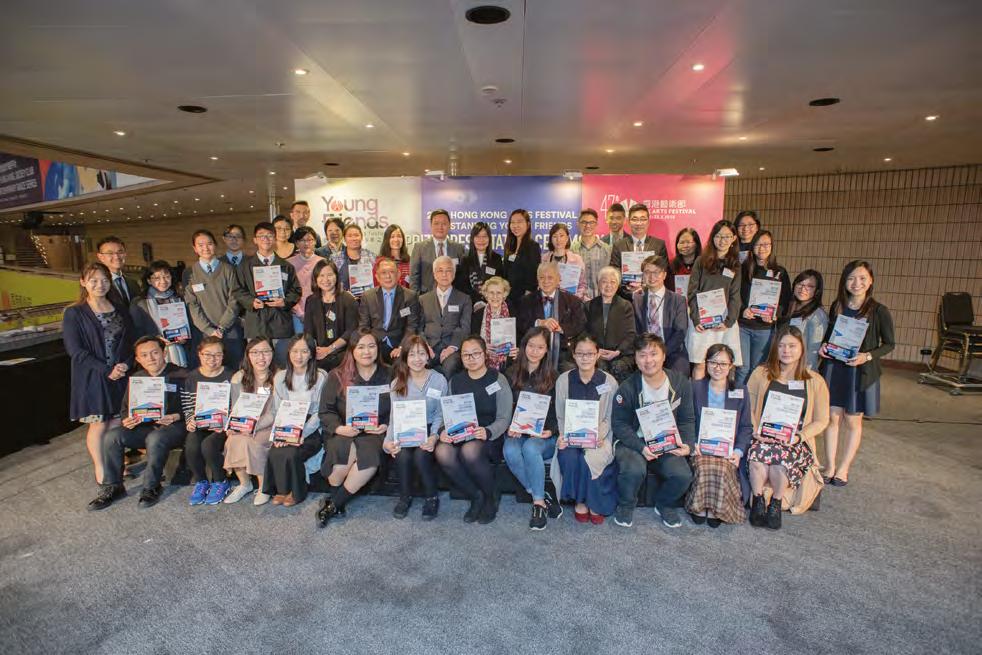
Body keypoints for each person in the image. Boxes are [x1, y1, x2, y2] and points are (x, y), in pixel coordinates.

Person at [87, 336, 186, 510]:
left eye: (155, 353)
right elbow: (125, 410)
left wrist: (176, 416)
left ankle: (151, 487)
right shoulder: (137, 378)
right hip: (145, 428)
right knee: (112, 436)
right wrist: (128, 420)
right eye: (144, 355)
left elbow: (195, 406)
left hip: (175, 427)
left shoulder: (182, 374)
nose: (151, 358)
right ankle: (113, 486)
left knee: (156, 437)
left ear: (164, 353)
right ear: (138, 359)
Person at [819, 260, 894, 486]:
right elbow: (830, 336)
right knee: (831, 418)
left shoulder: (879, 311)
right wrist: (824, 347)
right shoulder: (837, 306)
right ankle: (829, 465)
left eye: (862, 278)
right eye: (851, 278)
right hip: (835, 368)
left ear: (871, 281)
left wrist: (867, 356)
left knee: (852, 421)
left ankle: (843, 468)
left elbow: (889, 344)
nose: (856, 283)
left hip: (859, 371)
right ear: (844, 281)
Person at [747, 327, 830, 528]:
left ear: (802, 349)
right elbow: (747, 406)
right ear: (775, 348)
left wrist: (798, 437)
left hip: (795, 440)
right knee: (757, 456)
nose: (786, 351)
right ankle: (758, 501)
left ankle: (775, 503)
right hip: (763, 435)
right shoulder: (761, 374)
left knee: (780, 460)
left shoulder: (815, 381)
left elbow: (821, 420)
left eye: (792, 346)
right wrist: (756, 431)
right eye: (782, 346)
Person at [611, 334, 695, 529]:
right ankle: (626, 505)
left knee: (682, 475)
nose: (648, 360)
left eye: (653, 354)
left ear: (664, 356)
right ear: (636, 359)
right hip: (635, 441)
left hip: (666, 441)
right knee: (633, 470)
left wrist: (687, 445)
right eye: (642, 355)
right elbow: (620, 424)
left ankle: (664, 503)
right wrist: (640, 447)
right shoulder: (628, 387)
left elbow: (687, 419)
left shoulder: (680, 383)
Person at [63, 262, 134, 484]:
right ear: (83, 282)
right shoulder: (74, 313)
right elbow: (75, 350)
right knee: (99, 424)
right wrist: (106, 370)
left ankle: (117, 464)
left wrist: (126, 365)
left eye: (104, 280)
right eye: (93, 280)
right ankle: (101, 469)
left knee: (117, 422)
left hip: (120, 374)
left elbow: (131, 341)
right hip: (94, 376)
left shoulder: (119, 308)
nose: (99, 285)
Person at [315, 329, 392, 527]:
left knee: (368, 460)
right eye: (361, 347)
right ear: (352, 350)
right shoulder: (337, 375)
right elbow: (325, 411)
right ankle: (337, 498)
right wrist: (339, 429)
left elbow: (398, 406)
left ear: (378, 349)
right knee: (339, 464)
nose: (367, 352)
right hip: (344, 430)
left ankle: (333, 504)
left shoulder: (390, 374)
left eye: (371, 346)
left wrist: (386, 425)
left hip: (375, 433)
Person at [435, 335, 513, 524]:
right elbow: (447, 412)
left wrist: (488, 431)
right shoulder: (456, 381)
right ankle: (476, 495)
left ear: (485, 354)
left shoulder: (498, 379)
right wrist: (443, 430)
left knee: (470, 451)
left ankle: (490, 498)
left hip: (489, 435)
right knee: (442, 451)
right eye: (466, 355)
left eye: (476, 353)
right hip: (461, 433)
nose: (471, 359)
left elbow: (504, 417)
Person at [685, 343, 753, 527]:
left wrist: (738, 452)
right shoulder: (694, 387)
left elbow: (746, 427)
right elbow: (686, 420)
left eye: (723, 363)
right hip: (700, 447)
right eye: (713, 362)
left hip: (727, 449)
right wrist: (692, 443)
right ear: (706, 363)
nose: (718, 367)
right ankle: (699, 507)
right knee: (704, 465)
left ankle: (717, 508)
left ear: (731, 366)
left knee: (723, 468)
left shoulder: (740, 391)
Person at [554, 333, 619, 524]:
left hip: (600, 435)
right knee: (569, 455)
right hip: (571, 435)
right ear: (573, 355)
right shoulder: (564, 380)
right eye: (580, 353)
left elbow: (609, 417)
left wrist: (599, 435)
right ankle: (580, 501)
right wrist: (564, 435)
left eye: (590, 353)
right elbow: (560, 414)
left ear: (598, 354)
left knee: (591, 457)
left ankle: (594, 503)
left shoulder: (609, 382)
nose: (585, 358)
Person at [382, 334, 448, 520]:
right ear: (405, 357)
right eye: (411, 354)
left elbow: (441, 414)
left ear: (428, 355)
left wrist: (433, 436)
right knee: (402, 455)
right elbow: (394, 417)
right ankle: (405, 497)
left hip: (430, 428)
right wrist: (388, 442)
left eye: (421, 353)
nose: (417, 359)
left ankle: (431, 497)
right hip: (406, 429)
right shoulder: (397, 383)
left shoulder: (439, 380)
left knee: (421, 454)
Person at [504, 327, 560, 530]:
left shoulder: (554, 376)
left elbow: (559, 411)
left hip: (543, 434)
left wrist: (551, 430)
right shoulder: (510, 373)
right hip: (518, 431)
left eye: (540, 347)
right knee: (510, 450)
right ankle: (540, 494)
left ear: (546, 350)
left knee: (530, 448)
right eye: (531, 346)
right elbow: (504, 406)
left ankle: (537, 504)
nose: (534, 351)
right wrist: (510, 426)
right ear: (524, 346)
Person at [263, 335, 329, 506]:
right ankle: (282, 489)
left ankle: (297, 491)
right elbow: (278, 410)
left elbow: (320, 412)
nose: (298, 356)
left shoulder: (320, 376)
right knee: (275, 451)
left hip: (311, 427)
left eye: (304, 351)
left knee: (292, 453)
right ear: (288, 353)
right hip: (287, 423)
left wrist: (301, 433)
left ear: (311, 354)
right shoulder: (280, 377)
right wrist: (280, 435)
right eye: (295, 351)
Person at [236, 221, 303, 367]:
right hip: (256, 323)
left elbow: (296, 290)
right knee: (258, 366)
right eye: (261, 236)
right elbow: (238, 291)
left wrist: (285, 301)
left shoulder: (286, 266)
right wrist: (251, 302)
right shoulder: (244, 266)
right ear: (255, 240)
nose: (266, 239)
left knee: (282, 365)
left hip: (280, 323)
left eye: (270, 235)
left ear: (274, 238)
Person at [223, 337, 278, 505]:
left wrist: (255, 426)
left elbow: (275, 412)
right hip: (244, 424)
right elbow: (235, 407)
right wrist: (232, 425)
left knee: (254, 441)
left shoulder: (279, 377)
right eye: (255, 353)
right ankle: (245, 484)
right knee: (232, 440)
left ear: (272, 353)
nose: (261, 357)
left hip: (269, 424)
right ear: (248, 355)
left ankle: (263, 487)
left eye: (266, 352)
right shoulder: (239, 377)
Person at [686, 219, 743, 380]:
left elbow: (735, 295)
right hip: (701, 321)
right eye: (718, 236)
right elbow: (692, 291)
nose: (722, 240)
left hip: (724, 322)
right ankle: (698, 396)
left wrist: (728, 321)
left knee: (724, 365)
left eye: (727, 236)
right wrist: (696, 318)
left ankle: (720, 396)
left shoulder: (735, 265)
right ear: (712, 237)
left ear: (733, 239)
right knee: (700, 363)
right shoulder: (701, 261)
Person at [181, 337, 235, 506]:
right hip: (201, 424)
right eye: (208, 354)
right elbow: (187, 405)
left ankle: (220, 481)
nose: (212, 359)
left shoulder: (231, 376)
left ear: (223, 356)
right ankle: (201, 481)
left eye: (218, 355)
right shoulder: (191, 378)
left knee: (209, 445)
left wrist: (226, 422)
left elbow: (237, 404)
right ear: (199, 354)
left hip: (222, 425)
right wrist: (190, 420)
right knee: (191, 445)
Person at [735, 230, 792, 385]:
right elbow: (734, 294)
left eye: (766, 244)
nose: (762, 248)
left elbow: (785, 301)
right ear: (752, 247)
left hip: (765, 329)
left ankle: (754, 399)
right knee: (742, 368)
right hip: (743, 327)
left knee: (758, 368)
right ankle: (740, 398)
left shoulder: (780, 272)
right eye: (758, 244)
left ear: (772, 246)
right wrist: (742, 310)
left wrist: (775, 315)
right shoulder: (742, 269)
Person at [184, 229, 247, 368]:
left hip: (229, 330)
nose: (206, 248)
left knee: (235, 369)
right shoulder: (189, 273)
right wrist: (209, 330)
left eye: (209, 243)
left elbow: (234, 300)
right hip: (203, 333)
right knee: (208, 370)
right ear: (194, 248)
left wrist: (222, 327)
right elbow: (192, 304)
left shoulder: (228, 269)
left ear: (215, 245)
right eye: (200, 245)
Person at [516, 261, 586, 372]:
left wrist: (561, 328)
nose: (546, 281)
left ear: (558, 279)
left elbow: (580, 324)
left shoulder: (573, 301)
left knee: (569, 370)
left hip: (564, 353)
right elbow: (520, 324)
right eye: (542, 278)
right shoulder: (526, 301)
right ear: (537, 280)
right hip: (534, 353)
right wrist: (539, 323)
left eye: (550, 277)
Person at [631, 255, 689, 376]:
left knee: (679, 374)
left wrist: (661, 353)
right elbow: (636, 330)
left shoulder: (678, 300)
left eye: (656, 272)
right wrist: (647, 352)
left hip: (672, 351)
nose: (652, 277)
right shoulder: (637, 299)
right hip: (646, 351)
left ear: (664, 275)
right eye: (647, 272)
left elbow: (680, 332)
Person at [358, 258, 421, 363]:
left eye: (392, 272)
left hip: (398, 345)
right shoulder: (368, 296)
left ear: (398, 274)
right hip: (374, 344)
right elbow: (363, 327)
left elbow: (411, 326)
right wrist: (369, 347)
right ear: (377, 277)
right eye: (383, 273)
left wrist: (402, 347)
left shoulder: (410, 296)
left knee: (401, 365)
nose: (388, 276)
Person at [418, 256, 472, 377]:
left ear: (454, 274)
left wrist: (452, 348)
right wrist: (425, 346)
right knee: (420, 363)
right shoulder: (423, 299)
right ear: (434, 274)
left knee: (450, 366)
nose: (444, 274)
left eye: (448, 270)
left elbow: (465, 327)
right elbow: (419, 328)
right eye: (440, 270)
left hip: (452, 347)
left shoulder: (464, 299)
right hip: (428, 346)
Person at [130, 260, 190, 367]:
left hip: (180, 350)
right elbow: (136, 331)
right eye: (157, 278)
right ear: (149, 280)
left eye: (167, 277)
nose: (163, 281)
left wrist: (184, 338)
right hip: (153, 354)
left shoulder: (180, 298)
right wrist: (156, 339)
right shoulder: (139, 303)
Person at [304, 259, 359, 372]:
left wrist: (330, 349)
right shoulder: (311, 300)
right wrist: (316, 351)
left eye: (330, 275)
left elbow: (351, 330)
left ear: (336, 277)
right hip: (319, 353)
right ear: (316, 278)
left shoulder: (348, 299)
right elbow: (308, 331)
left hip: (343, 353)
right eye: (321, 275)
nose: (326, 280)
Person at [585, 266, 636, 380]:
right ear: (598, 284)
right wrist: (595, 350)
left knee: (618, 366)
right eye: (604, 282)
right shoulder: (589, 306)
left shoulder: (626, 306)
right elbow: (584, 333)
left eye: (613, 282)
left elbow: (631, 334)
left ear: (618, 285)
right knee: (599, 366)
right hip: (595, 353)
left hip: (620, 354)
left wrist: (618, 351)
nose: (608, 285)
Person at [608, 204, 669, 299]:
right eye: (635, 219)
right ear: (629, 222)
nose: (639, 223)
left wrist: (647, 288)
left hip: (652, 298)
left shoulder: (658, 245)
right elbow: (614, 274)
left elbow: (664, 272)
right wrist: (629, 290)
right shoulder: (619, 246)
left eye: (643, 219)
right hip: (626, 299)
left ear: (648, 222)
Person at [410, 209, 466, 295]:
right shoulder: (419, 248)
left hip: (452, 297)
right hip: (426, 297)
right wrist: (417, 299)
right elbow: (414, 277)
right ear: (431, 225)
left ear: (449, 225)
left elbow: (462, 277)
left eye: (444, 223)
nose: (440, 227)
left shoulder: (458, 248)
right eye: (436, 223)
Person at [781, 270, 828, 370]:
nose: (803, 289)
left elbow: (813, 351)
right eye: (800, 284)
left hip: (801, 371)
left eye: (810, 286)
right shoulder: (789, 308)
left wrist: (805, 373)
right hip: (785, 367)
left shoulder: (818, 315)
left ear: (817, 291)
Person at [472, 276, 518, 371]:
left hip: (509, 363)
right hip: (482, 362)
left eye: (499, 293)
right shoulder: (478, 315)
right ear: (486, 294)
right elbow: (472, 339)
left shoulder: (514, 312)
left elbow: (522, 337)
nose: (495, 296)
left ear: (504, 294)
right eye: (491, 293)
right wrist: (482, 347)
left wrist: (518, 350)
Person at [454, 221, 504, 305]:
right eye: (477, 236)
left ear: (489, 238)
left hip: (492, 303)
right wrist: (477, 299)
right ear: (472, 239)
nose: (481, 240)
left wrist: (487, 294)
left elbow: (500, 282)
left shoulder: (496, 258)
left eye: (484, 236)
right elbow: (462, 285)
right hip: (470, 303)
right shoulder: (465, 259)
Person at [287, 226, 325, 334]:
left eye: (310, 240)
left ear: (315, 242)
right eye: (302, 240)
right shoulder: (289, 264)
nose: (306, 243)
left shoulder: (323, 262)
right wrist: (300, 313)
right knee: (301, 342)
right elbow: (287, 291)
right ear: (297, 243)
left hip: (320, 312)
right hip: (297, 314)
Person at [502, 208, 542, 305]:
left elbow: (533, 275)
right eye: (512, 222)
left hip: (524, 298)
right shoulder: (509, 246)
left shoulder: (533, 246)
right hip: (508, 297)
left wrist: (527, 298)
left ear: (528, 224)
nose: (515, 226)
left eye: (519, 222)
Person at [570, 208, 612, 300]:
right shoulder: (571, 251)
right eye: (584, 222)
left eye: (591, 222)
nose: (587, 226)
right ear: (578, 224)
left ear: (596, 224)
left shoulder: (607, 250)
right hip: (578, 301)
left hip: (601, 300)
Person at [542, 223, 588, 299]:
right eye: (555, 236)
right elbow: (540, 282)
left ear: (567, 238)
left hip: (571, 301)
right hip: (549, 300)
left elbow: (583, 285)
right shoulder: (543, 259)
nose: (558, 239)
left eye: (561, 235)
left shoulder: (577, 259)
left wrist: (574, 299)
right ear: (550, 239)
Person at [96, 236, 141, 306]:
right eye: (110, 253)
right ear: (100, 257)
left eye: (120, 252)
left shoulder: (133, 283)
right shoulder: (97, 285)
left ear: (125, 254)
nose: (116, 257)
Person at [335, 223, 377, 296]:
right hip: (343, 299)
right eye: (350, 236)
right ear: (344, 238)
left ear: (361, 237)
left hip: (367, 299)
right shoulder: (335, 259)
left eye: (356, 235)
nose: (354, 238)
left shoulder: (372, 257)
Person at [374, 224, 411, 288]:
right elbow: (377, 286)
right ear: (387, 240)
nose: (396, 239)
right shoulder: (380, 262)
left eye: (399, 236)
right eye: (392, 237)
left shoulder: (410, 261)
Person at [668, 227, 701, 293]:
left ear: (697, 244)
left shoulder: (703, 265)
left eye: (688, 242)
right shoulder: (670, 266)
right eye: (681, 242)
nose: (685, 246)